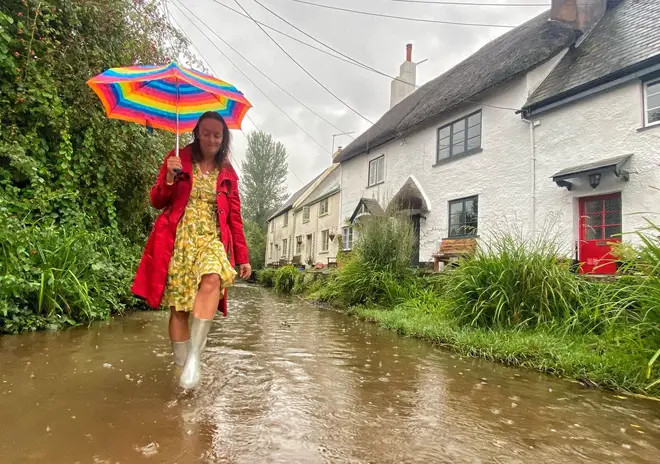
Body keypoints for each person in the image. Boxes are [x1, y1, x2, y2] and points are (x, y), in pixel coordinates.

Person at [131, 111, 251, 389]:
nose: (211, 138)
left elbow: (234, 217)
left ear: (224, 139)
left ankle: (194, 357)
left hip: (211, 237)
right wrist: (169, 179)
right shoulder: (177, 159)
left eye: (217, 134)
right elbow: (156, 200)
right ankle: (180, 366)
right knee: (179, 309)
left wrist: (242, 257)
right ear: (197, 133)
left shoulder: (228, 173)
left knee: (212, 278)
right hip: (178, 239)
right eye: (206, 132)